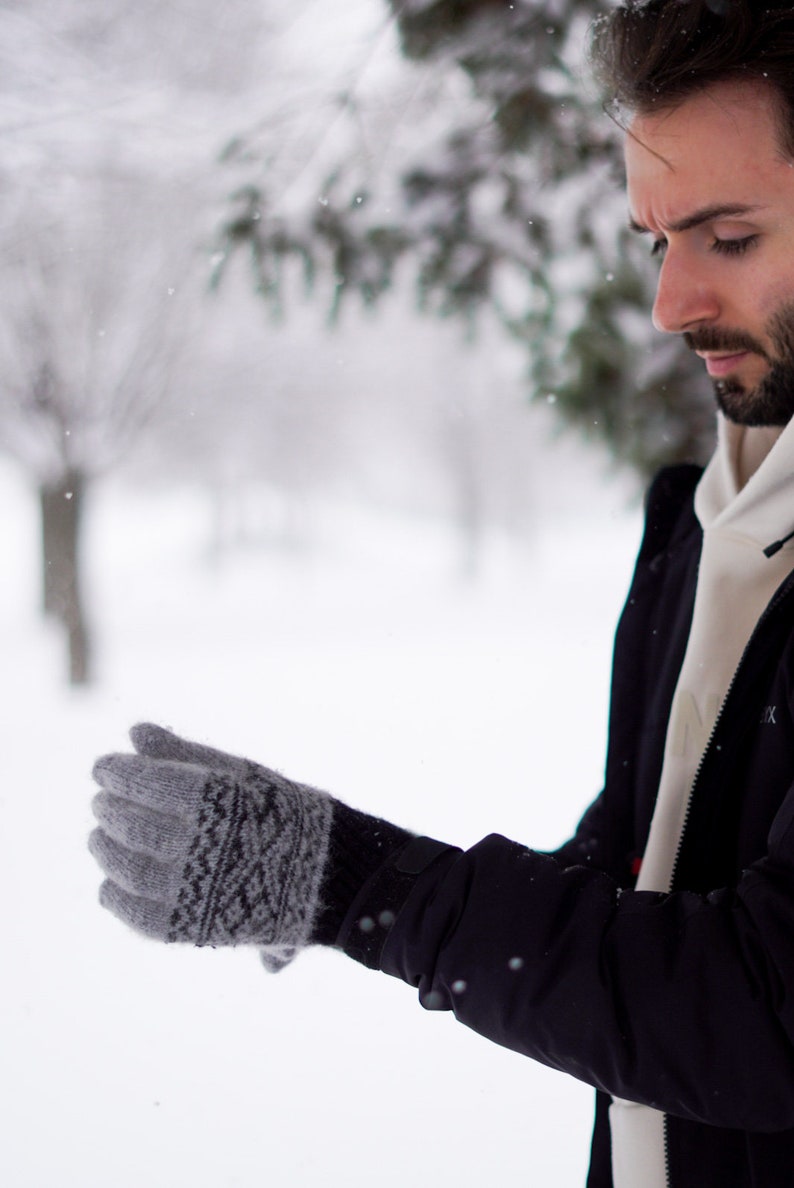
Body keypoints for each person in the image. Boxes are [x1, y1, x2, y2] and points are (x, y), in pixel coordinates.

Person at [87, 2, 794, 1185]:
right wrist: (320, 868)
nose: (667, 304)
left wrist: (369, 889)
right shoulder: (718, 517)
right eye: (655, 242)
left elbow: (760, 1012)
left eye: (725, 238)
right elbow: (648, 877)